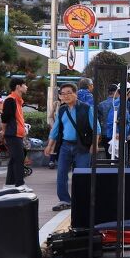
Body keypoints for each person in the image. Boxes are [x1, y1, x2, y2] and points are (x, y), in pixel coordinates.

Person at [46, 83, 99, 212]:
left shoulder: (87, 108)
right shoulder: (62, 109)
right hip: (65, 145)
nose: (66, 96)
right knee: (61, 173)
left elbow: (96, 128)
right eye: (63, 94)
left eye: (69, 92)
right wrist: (50, 145)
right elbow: (56, 129)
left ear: (75, 93)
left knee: (81, 174)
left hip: (82, 146)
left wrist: (95, 144)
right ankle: (64, 200)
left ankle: (81, 200)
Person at [1, 78, 29, 187]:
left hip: (16, 134)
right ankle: (19, 184)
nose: (26, 87)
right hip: (13, 134)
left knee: (14, 159)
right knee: (19, 159)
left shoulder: (17, 100)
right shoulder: (10, 100)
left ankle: (10, 183)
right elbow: (5, 118)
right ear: (18, 86)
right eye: (24, 85)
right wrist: (4, 131)